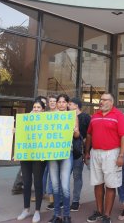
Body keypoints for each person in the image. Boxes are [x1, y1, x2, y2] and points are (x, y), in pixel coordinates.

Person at [85, 92, 124, 223]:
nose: (101, 102)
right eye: (101, 100)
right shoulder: (95, 115)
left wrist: (121, 155)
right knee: (97, 183)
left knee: (110, 185)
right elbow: (89, 135)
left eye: (104, 100)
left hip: (112, 153)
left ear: (111, 102)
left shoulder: (119, 116)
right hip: (95, 153)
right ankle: (99, 211)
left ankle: (107, 215)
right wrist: (86, 151)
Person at [47, 94, 79, 223]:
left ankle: (66, 215)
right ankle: (56, 215)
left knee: (65, 186)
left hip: (67, 153)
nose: (60, 104)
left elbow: (77, 135)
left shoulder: (72, 116)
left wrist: (74, 130)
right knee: (55, 186)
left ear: (67, 104)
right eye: (59, 102)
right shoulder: (49, 116)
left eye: (63, 102)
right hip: (52, 154)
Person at [17, 99, 47, 223]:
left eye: (38, 107)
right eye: (34, 107)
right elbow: (20, 135)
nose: (36, 109)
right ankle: (26, 209)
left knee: (38, 183)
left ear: (43, 110)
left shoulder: (47, 122)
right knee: (27, 182)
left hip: (39, 156)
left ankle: (37, 211)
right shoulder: (25, 121)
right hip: (26, 155)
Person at [68, 97, 91, 212]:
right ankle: (64, 199)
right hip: (67, 151)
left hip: (78, 152)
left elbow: (90, 133)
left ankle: (75, 200)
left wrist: (85, 146)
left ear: (76, 105)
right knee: (65, 177)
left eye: (70, 104)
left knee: (77, 176)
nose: (68, 106)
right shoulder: (66, 116)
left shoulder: (86, 117)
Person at [45, 94, 58, 209]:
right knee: (46, 173)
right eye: (51, 101)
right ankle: (50, 196)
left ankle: (54, 198)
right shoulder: (44, 114)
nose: (53, 103)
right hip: (45, 149)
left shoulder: (62, 115)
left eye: (55, 101)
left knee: (53, 175)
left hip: (56, 150)